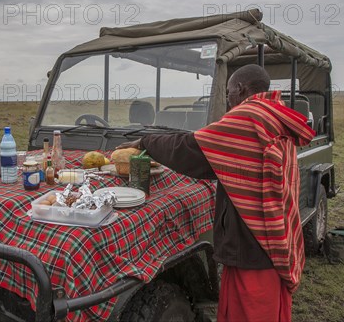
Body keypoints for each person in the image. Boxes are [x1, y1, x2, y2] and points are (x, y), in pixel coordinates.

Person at [117, 64, 315, 322]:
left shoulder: (248, 118)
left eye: (228, 92)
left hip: (253, 243)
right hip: (270, 234)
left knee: (251, 311)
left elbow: (193, 149)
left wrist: (146, 142)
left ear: (240, 89)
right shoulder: (272, 114)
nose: (228, 99)